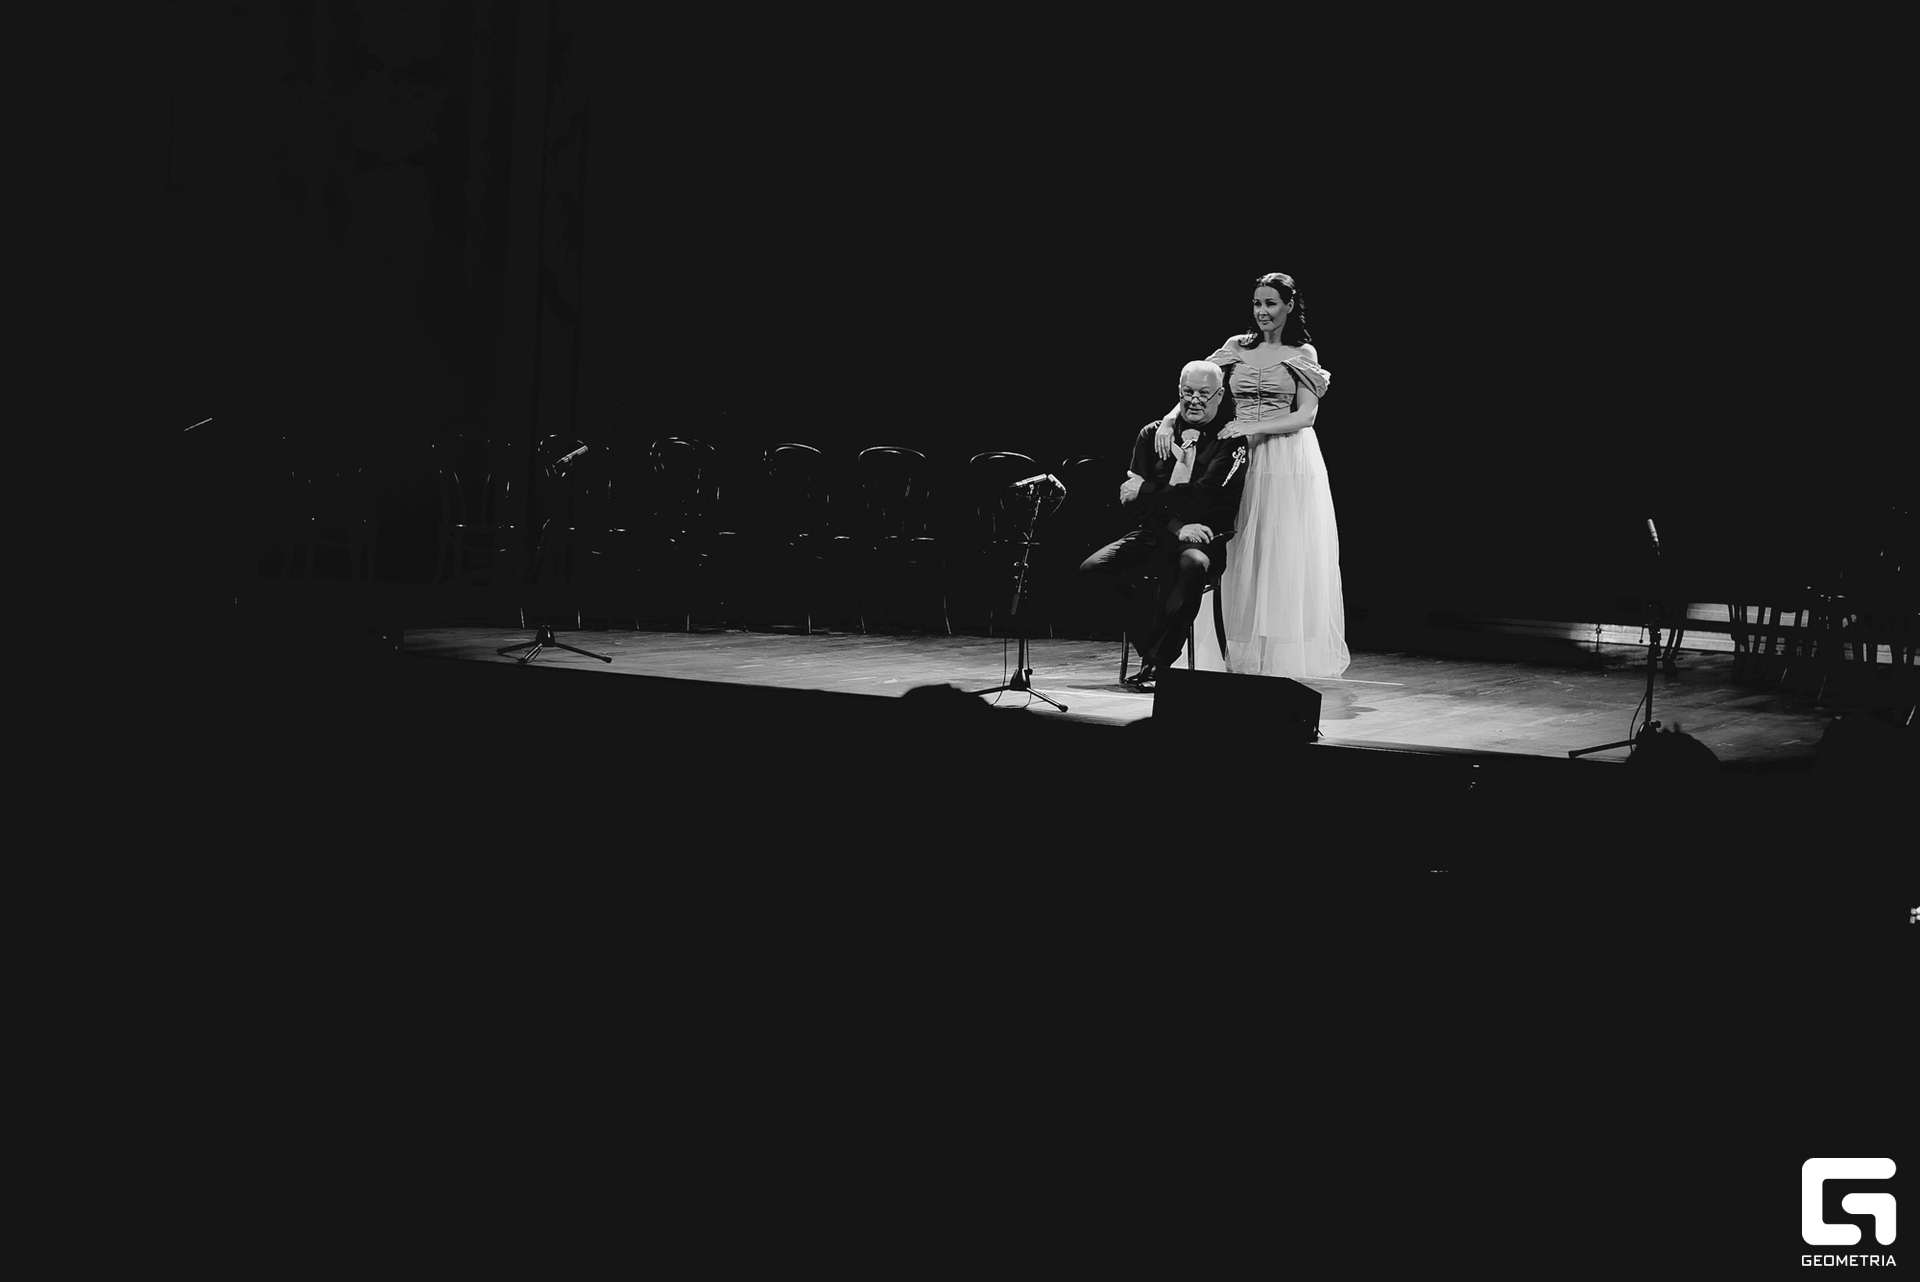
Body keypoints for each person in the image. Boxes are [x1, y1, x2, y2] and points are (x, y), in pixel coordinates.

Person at [1152, 272, 1350, 678]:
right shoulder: (1236, 347)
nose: (1262, 311)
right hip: (1238, 454)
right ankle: (1232, 650)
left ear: (1289, 306)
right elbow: (1198, 387)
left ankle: (1273, 657)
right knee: (1237, 548)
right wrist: (1169, 419)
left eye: (1271, 303)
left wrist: (1252, 426)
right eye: (1257, 303)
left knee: (1278, 552)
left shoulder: (1301, 352)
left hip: (1284, 457)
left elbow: (1306, 415)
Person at [1078, 360, 1250, 689]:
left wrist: (1147, 490)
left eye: (1203, 394)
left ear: (1219, 396)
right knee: (1093, 570)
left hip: (1204, 539)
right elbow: (1131, 502)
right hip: (1157, 533)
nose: (1194, 400)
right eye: (1188, 392)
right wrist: (1175, 525)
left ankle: (1157, 665)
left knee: (1193, 563)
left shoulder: (1231, 439)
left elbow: (1205, 498)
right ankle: (1154, 649)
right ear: (1178, 392)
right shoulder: (1151, 434)